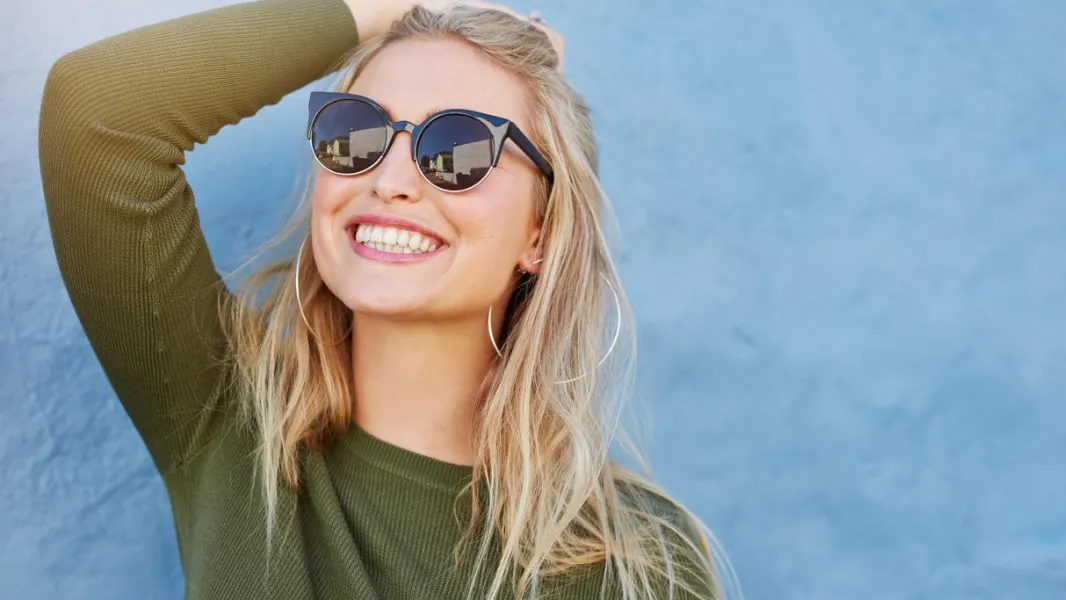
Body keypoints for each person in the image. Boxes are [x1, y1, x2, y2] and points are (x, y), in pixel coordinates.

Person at [39, 0, 734, 598]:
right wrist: (407, 9)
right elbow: (97, 114)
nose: (391, 179)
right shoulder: (232, 422)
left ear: (541, 232)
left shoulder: (638, 563)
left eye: (459, 147)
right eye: (357, 132)